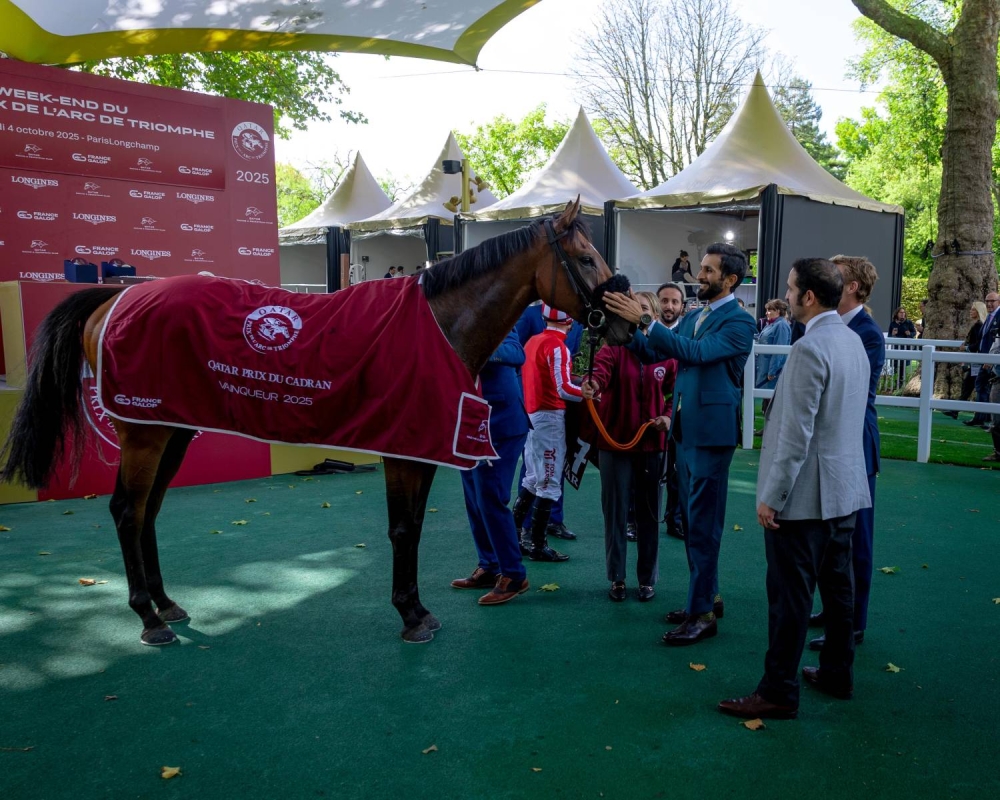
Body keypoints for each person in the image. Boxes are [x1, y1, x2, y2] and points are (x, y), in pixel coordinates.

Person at [718, 258, 870, 720]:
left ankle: (779, 691)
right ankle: (837, 673)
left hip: (804, 500)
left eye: (789, 289)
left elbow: (796, 433)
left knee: (790, 599)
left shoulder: (811, 348)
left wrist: (772, 496)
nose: (785, 296)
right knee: (838, 592)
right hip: (844, 492)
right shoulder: (852, 341)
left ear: (807, 296)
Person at [604, 242, 755, 646]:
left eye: (707, 270)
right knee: (692, 522)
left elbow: (696, 353)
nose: (699, 276)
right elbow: (656, 350)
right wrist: (623, 326)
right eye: (701, 268)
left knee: (703, 524)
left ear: (730, 280)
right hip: (686, 433)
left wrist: (648, 320)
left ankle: (702, 613)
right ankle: (707, 598)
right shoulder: (697, 314)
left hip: (711, 434)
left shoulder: (740, 322)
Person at [807, 255, 886, 652]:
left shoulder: (868, 334)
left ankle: (853, 623)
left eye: (837, 277)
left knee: (856, 542)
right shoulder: (831, 327)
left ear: (852, 286)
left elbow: (858, 396)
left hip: (855, 444)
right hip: (833, 444)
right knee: (829, 537)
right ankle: (835, 609)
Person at [581, 292, 676, 603]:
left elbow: (677, 393)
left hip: (652, 445)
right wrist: (592, 385)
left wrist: (667, 415)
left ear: (652, 315)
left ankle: (647, 579)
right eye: (633, 310)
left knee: (650, 515)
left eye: (643, 310)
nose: (637, 315)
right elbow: (599, 374)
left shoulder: (667, 353)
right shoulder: (614, 349)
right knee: (616, 513)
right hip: (615, 443)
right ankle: (617, 578)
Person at [452, 329, 531, 604]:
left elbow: (516, 353)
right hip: (468, 424)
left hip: (502, 425)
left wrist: (476, 347)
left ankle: (514, 575)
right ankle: (489, 565)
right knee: (475, 499)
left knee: (491, 499)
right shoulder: (451, 320)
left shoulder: (497, 318)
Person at [511, 304, 582, 562]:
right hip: (549, 417)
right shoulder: (558, 346)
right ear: (570, 323)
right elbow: (564, 389)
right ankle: (539, 545)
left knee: (532, 477)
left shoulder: (532, 341)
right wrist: (589, 393)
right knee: (549, 482)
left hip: (531, 414)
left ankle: (516, 534)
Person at [656, 282, 686, 540]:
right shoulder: (643, 335)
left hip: (679, 414)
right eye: (664, 301)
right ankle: (637, 518)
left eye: (674, 302)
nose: (669, 306)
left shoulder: (688, 336)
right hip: (650, 414)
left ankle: (674, 519)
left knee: (677, 471)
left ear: (681, 306)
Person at [944, 302, 987, 419]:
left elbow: (978, 344)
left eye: (973, 310)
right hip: (975, 360)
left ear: (978, 312)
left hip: (977, 361)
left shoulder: (979, 326)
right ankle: (957, 410)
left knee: (975, 387)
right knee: (970, 386)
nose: (970, 311)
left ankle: (981, 416)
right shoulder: (980, 325)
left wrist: (966, 347)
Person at [755, 299, 792, 416]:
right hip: (764, 368)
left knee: (772, 400)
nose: (767, 313)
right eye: (767, 310)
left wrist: (772, 371)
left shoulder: (781, 326)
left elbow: (779, 350)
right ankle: (767, 429)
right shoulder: (771, 324)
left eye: (770, 310)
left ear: (778, 311)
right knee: (767, 401)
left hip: (771, 372)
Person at [968, 292, 1000, 427]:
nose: (989, 304)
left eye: (992, 301)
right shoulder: (989, 317)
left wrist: (991, 359)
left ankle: (985, 418)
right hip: (984, 358)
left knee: (983, 387)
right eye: (987, 301)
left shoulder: (998, 316)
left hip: (992, 361)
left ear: (998, 301)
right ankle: (982, 417)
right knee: (982, 387)